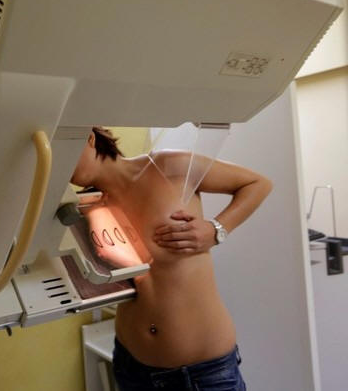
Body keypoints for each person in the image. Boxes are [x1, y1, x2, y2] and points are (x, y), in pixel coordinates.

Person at [70, 127, 273, 391]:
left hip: (203, 374)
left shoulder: (167, 165)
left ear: (89, 137)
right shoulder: (88, 206)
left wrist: (216, 229)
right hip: (131, 367)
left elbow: (257, 184)